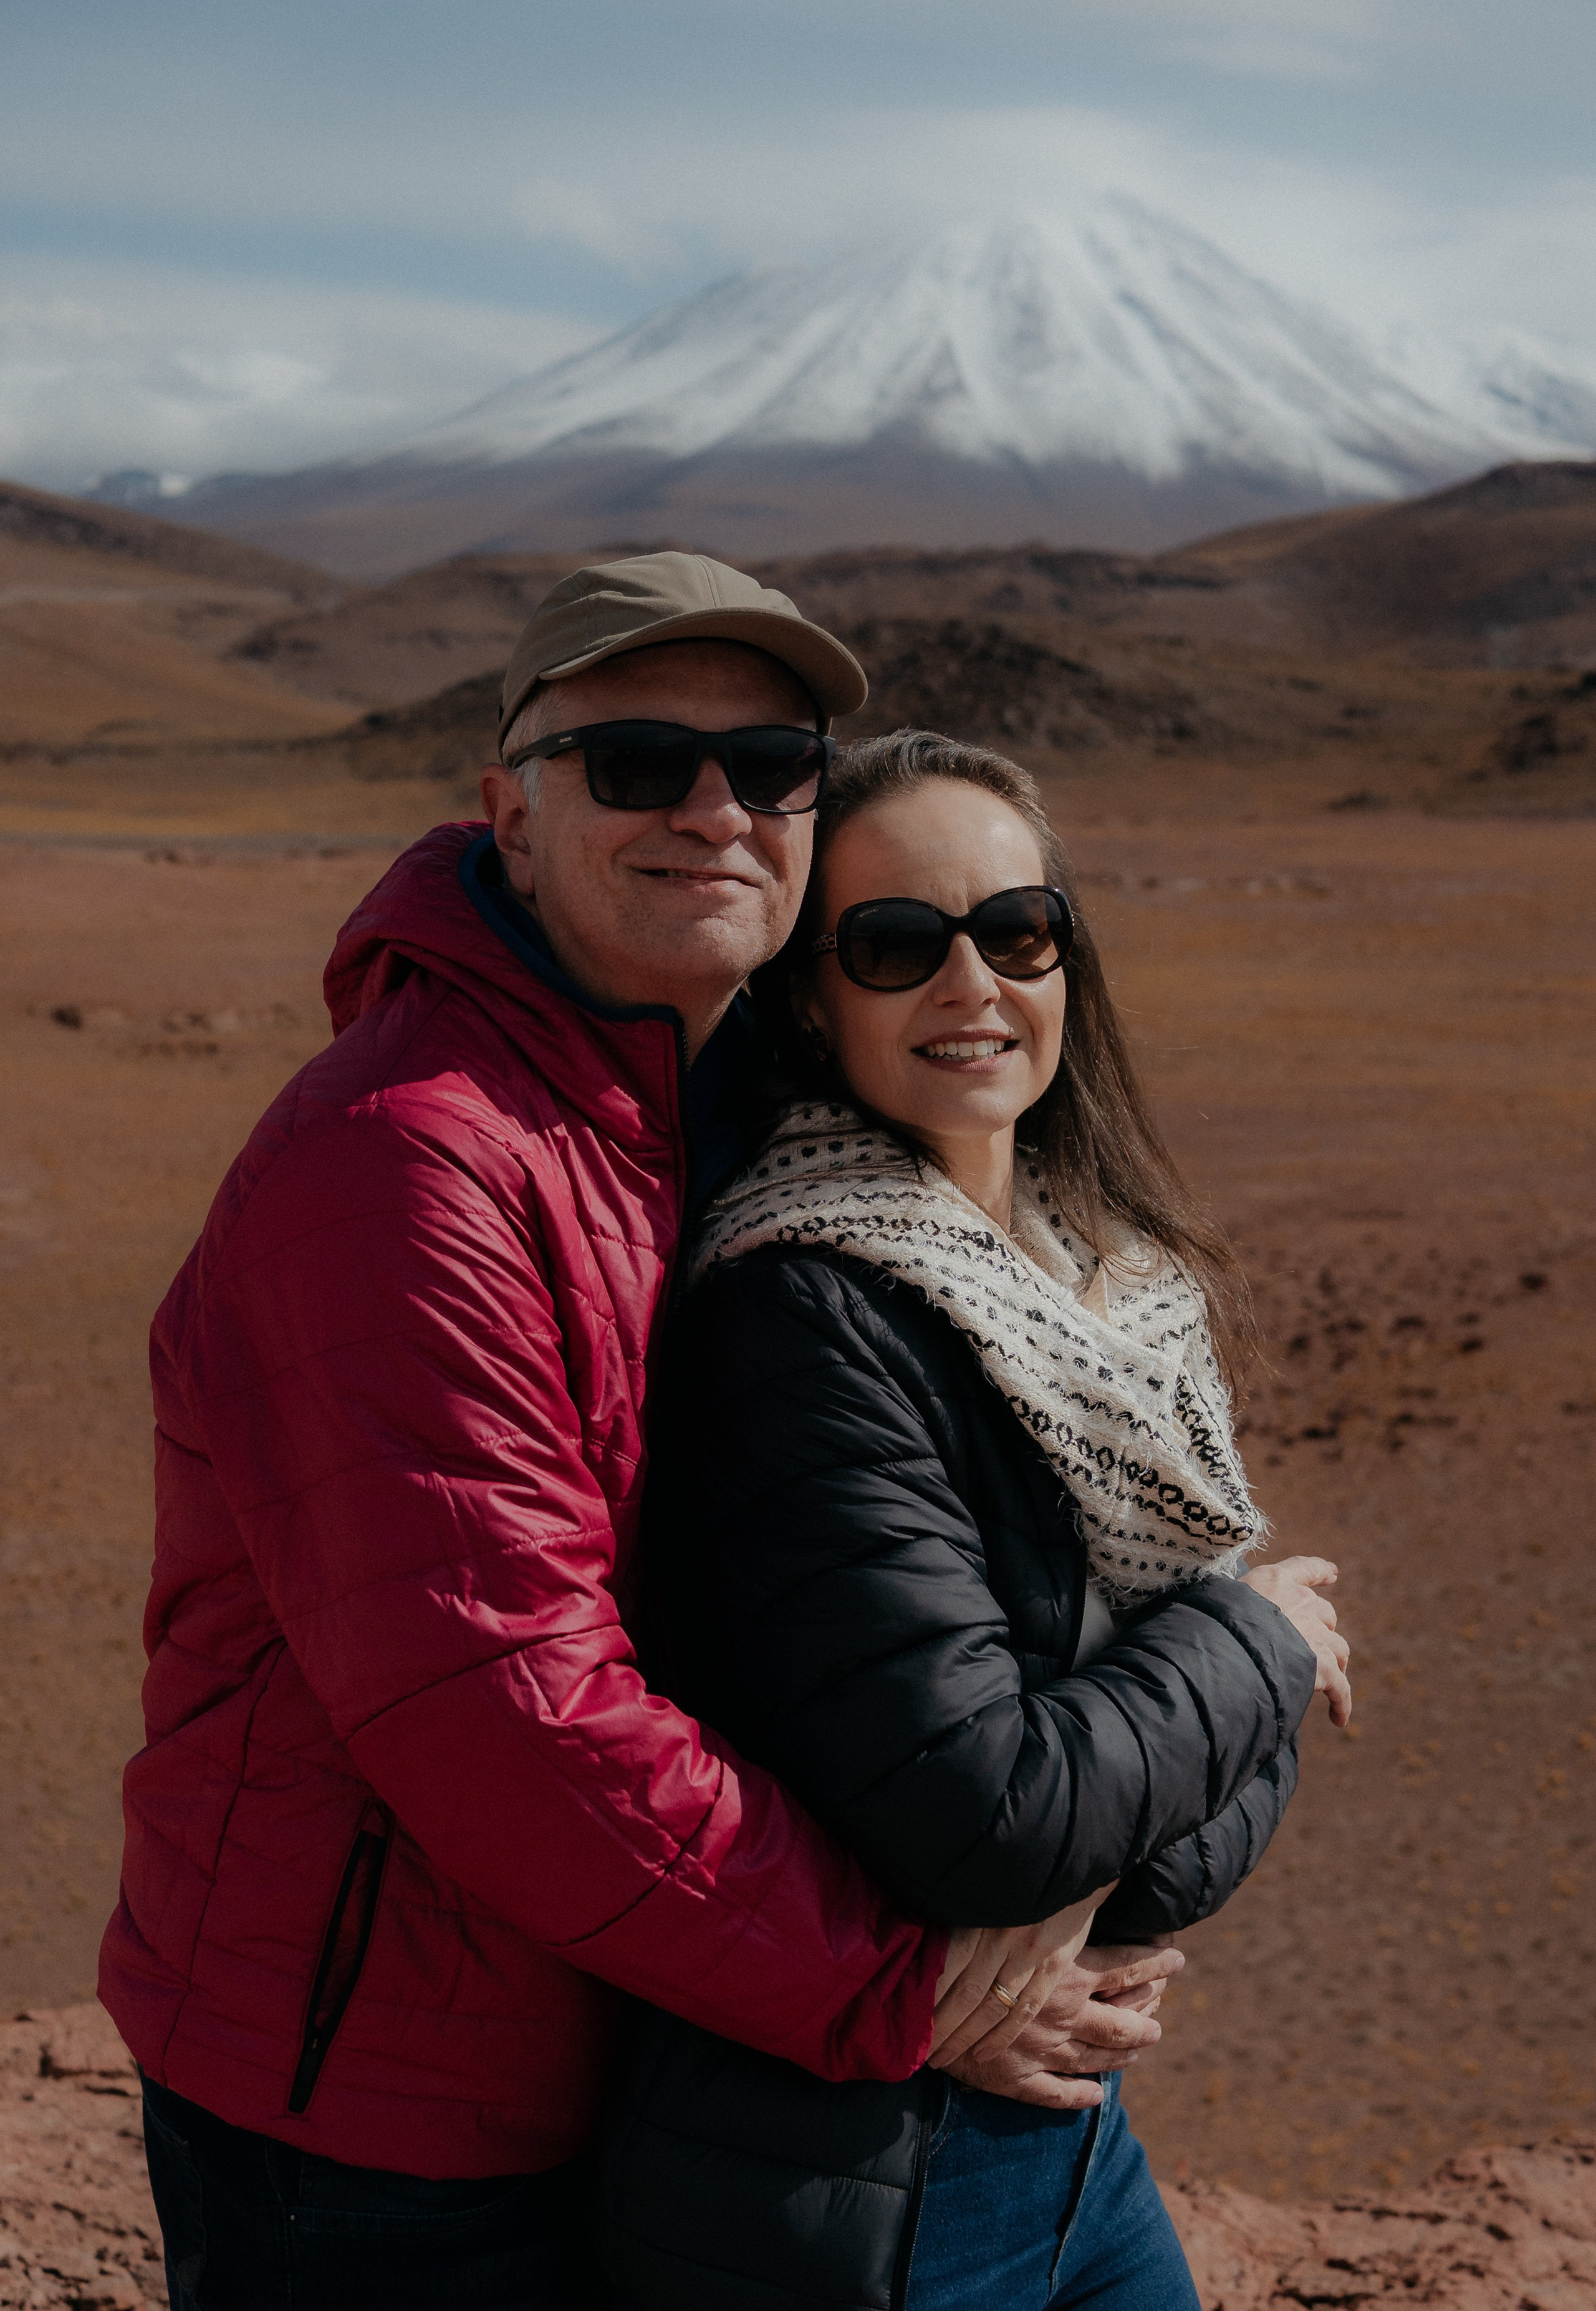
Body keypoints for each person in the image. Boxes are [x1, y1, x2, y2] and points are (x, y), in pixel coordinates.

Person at [99, 557, 1177, 2311]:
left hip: (629, 2031)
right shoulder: (408, 1162)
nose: (713, 809)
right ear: (507, 813)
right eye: (634, 765)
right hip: (381, 2111)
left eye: (768, 767)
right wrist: (919, 1984)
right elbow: (515, 1717)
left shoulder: (721, 1106)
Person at [601, 730, 1351, 2310]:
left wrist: (1113, 1841)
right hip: (841, 2184)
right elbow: (991, 1816)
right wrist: (1261, 1639)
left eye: (1014, 932)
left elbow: (1151, 1843)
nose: (970, 986)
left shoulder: (1113, 1292)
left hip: (1061, 2131)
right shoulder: (800, 1311)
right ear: (813, 998)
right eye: (893, 945)